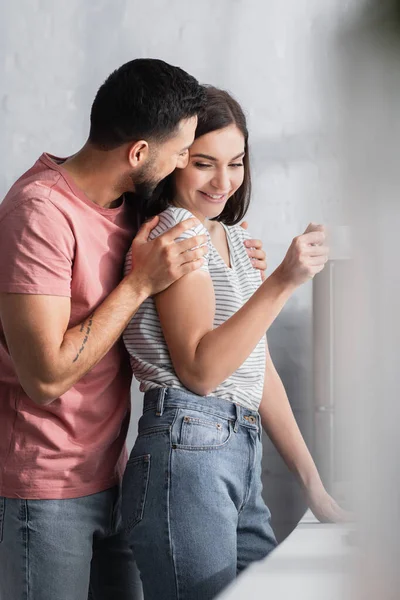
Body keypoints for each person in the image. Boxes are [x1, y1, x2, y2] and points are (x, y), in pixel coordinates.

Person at [0, 58, 213, 600]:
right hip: (42, 492)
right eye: (181, 150)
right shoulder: (40, 212)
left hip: (114, 476)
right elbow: (44, 376)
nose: (185, 161)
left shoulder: (130, 205)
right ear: (138, 152)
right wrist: (140, 284)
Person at [122, 86, 344, 600]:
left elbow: (255, 366)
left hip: (233, 452)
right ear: (175, 161)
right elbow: (201, 371)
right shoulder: (176, 234)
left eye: (237, 162)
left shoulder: (232, 238)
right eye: (204, 163)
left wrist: (313, 484)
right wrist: (284, 281)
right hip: (189, 446)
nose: (224, 181)